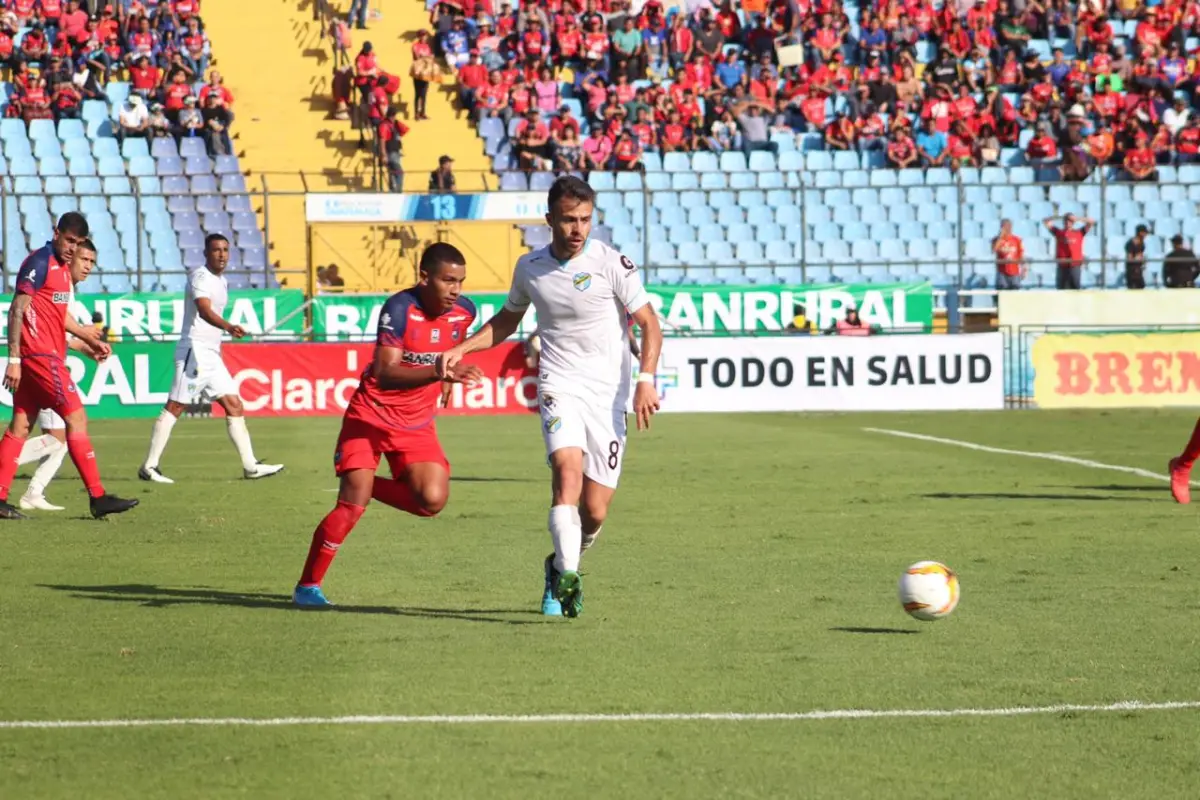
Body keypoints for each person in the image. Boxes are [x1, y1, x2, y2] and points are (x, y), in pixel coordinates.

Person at [436, 176, 663, 618]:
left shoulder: (612, 263)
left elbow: (649, 323)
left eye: (585, 220)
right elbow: (507, 320)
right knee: (566, 477)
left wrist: (646, 378)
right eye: (568, 220)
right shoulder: (530, 267)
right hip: (560, 385)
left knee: (594, 511)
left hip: (609, 394)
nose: (578, 229)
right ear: (549, 220)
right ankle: (568, 583)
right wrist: (461, 347)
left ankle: (558, 565)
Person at [293, 244, 482, 608]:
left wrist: (446, 374)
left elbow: (451, 345)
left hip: (417, 424)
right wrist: (441, 372)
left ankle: (366, 488)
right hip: (371, 417)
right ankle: (307, 587)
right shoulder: (399, 309)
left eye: (460, 281)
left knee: (432, 501)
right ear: (424, 277)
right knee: (350, 508)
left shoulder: (464, 312)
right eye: (447, 280)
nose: (456, 289)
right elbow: (385, 372)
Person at [0, 215, 137, 520]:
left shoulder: (63, 271)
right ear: (56, 233)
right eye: (69, 241)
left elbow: (58, 317)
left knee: (20, 427)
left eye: (78, 244)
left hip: (43, 357)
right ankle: (97, 497)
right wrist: (14, 360)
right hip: (40, 358)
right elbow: (17, 309)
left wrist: (88, 337)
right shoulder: (39, 262)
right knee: (76, 419)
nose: (73, 249)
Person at [138, 234, 284, 484]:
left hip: (211, 354)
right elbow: (204, 310)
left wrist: (224, 331)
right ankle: (149, 467)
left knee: (234, 405)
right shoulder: (200, 277)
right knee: (175, 406)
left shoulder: (222, 281)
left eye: (226, 250)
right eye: (216, 250)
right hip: (194, 350)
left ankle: (250, 466)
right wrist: (228, 326)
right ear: (206, 253)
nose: (222, 254)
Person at [15, 246, 111, 512]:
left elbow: (64, 334)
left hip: (48, 362)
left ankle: (34, 492)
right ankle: (19, 475)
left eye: (93, 260)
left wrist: (89, 348)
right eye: (84, 259)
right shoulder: (58, 284)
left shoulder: (67, 290)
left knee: (57, 438)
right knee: (61, 435)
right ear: (70, 258)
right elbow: (42, 322)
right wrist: (86, 337)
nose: (88, 265)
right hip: (44, 365)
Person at [1044, 214, 1093, 290]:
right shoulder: (1058, 232)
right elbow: (1046, 221)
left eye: (1070, 221)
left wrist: (1077, 218)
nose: (1068, 222)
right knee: (1061, 290)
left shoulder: (1079, 232)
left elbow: (1091, 222)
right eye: (1066, 220)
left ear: (1073, 222)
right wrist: (1059, 217)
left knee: (1075, 290)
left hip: (1075, 266)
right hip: (1062, 266)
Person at [993, 219, 1025, 290]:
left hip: (1014, 272)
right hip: (1002, 272)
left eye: (1009, 226)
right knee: (1002, 293)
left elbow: (1021, 255)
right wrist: (1000, 238)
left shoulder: (1017, 240)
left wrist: (1024, 269)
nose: (1007, 228)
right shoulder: (996, 239)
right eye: (1004, 226)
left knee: (1014, 294)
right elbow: (994, 249)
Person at [1125, 225, 1148, 289]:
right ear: (1140, 233)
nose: (1146, 235)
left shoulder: (1142, 244)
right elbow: (1129, 259)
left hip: (1139, 271)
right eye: (1145, 233)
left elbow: (1141, 255)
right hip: (1132, 272)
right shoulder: (1130, 243)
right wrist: (1136, 258)